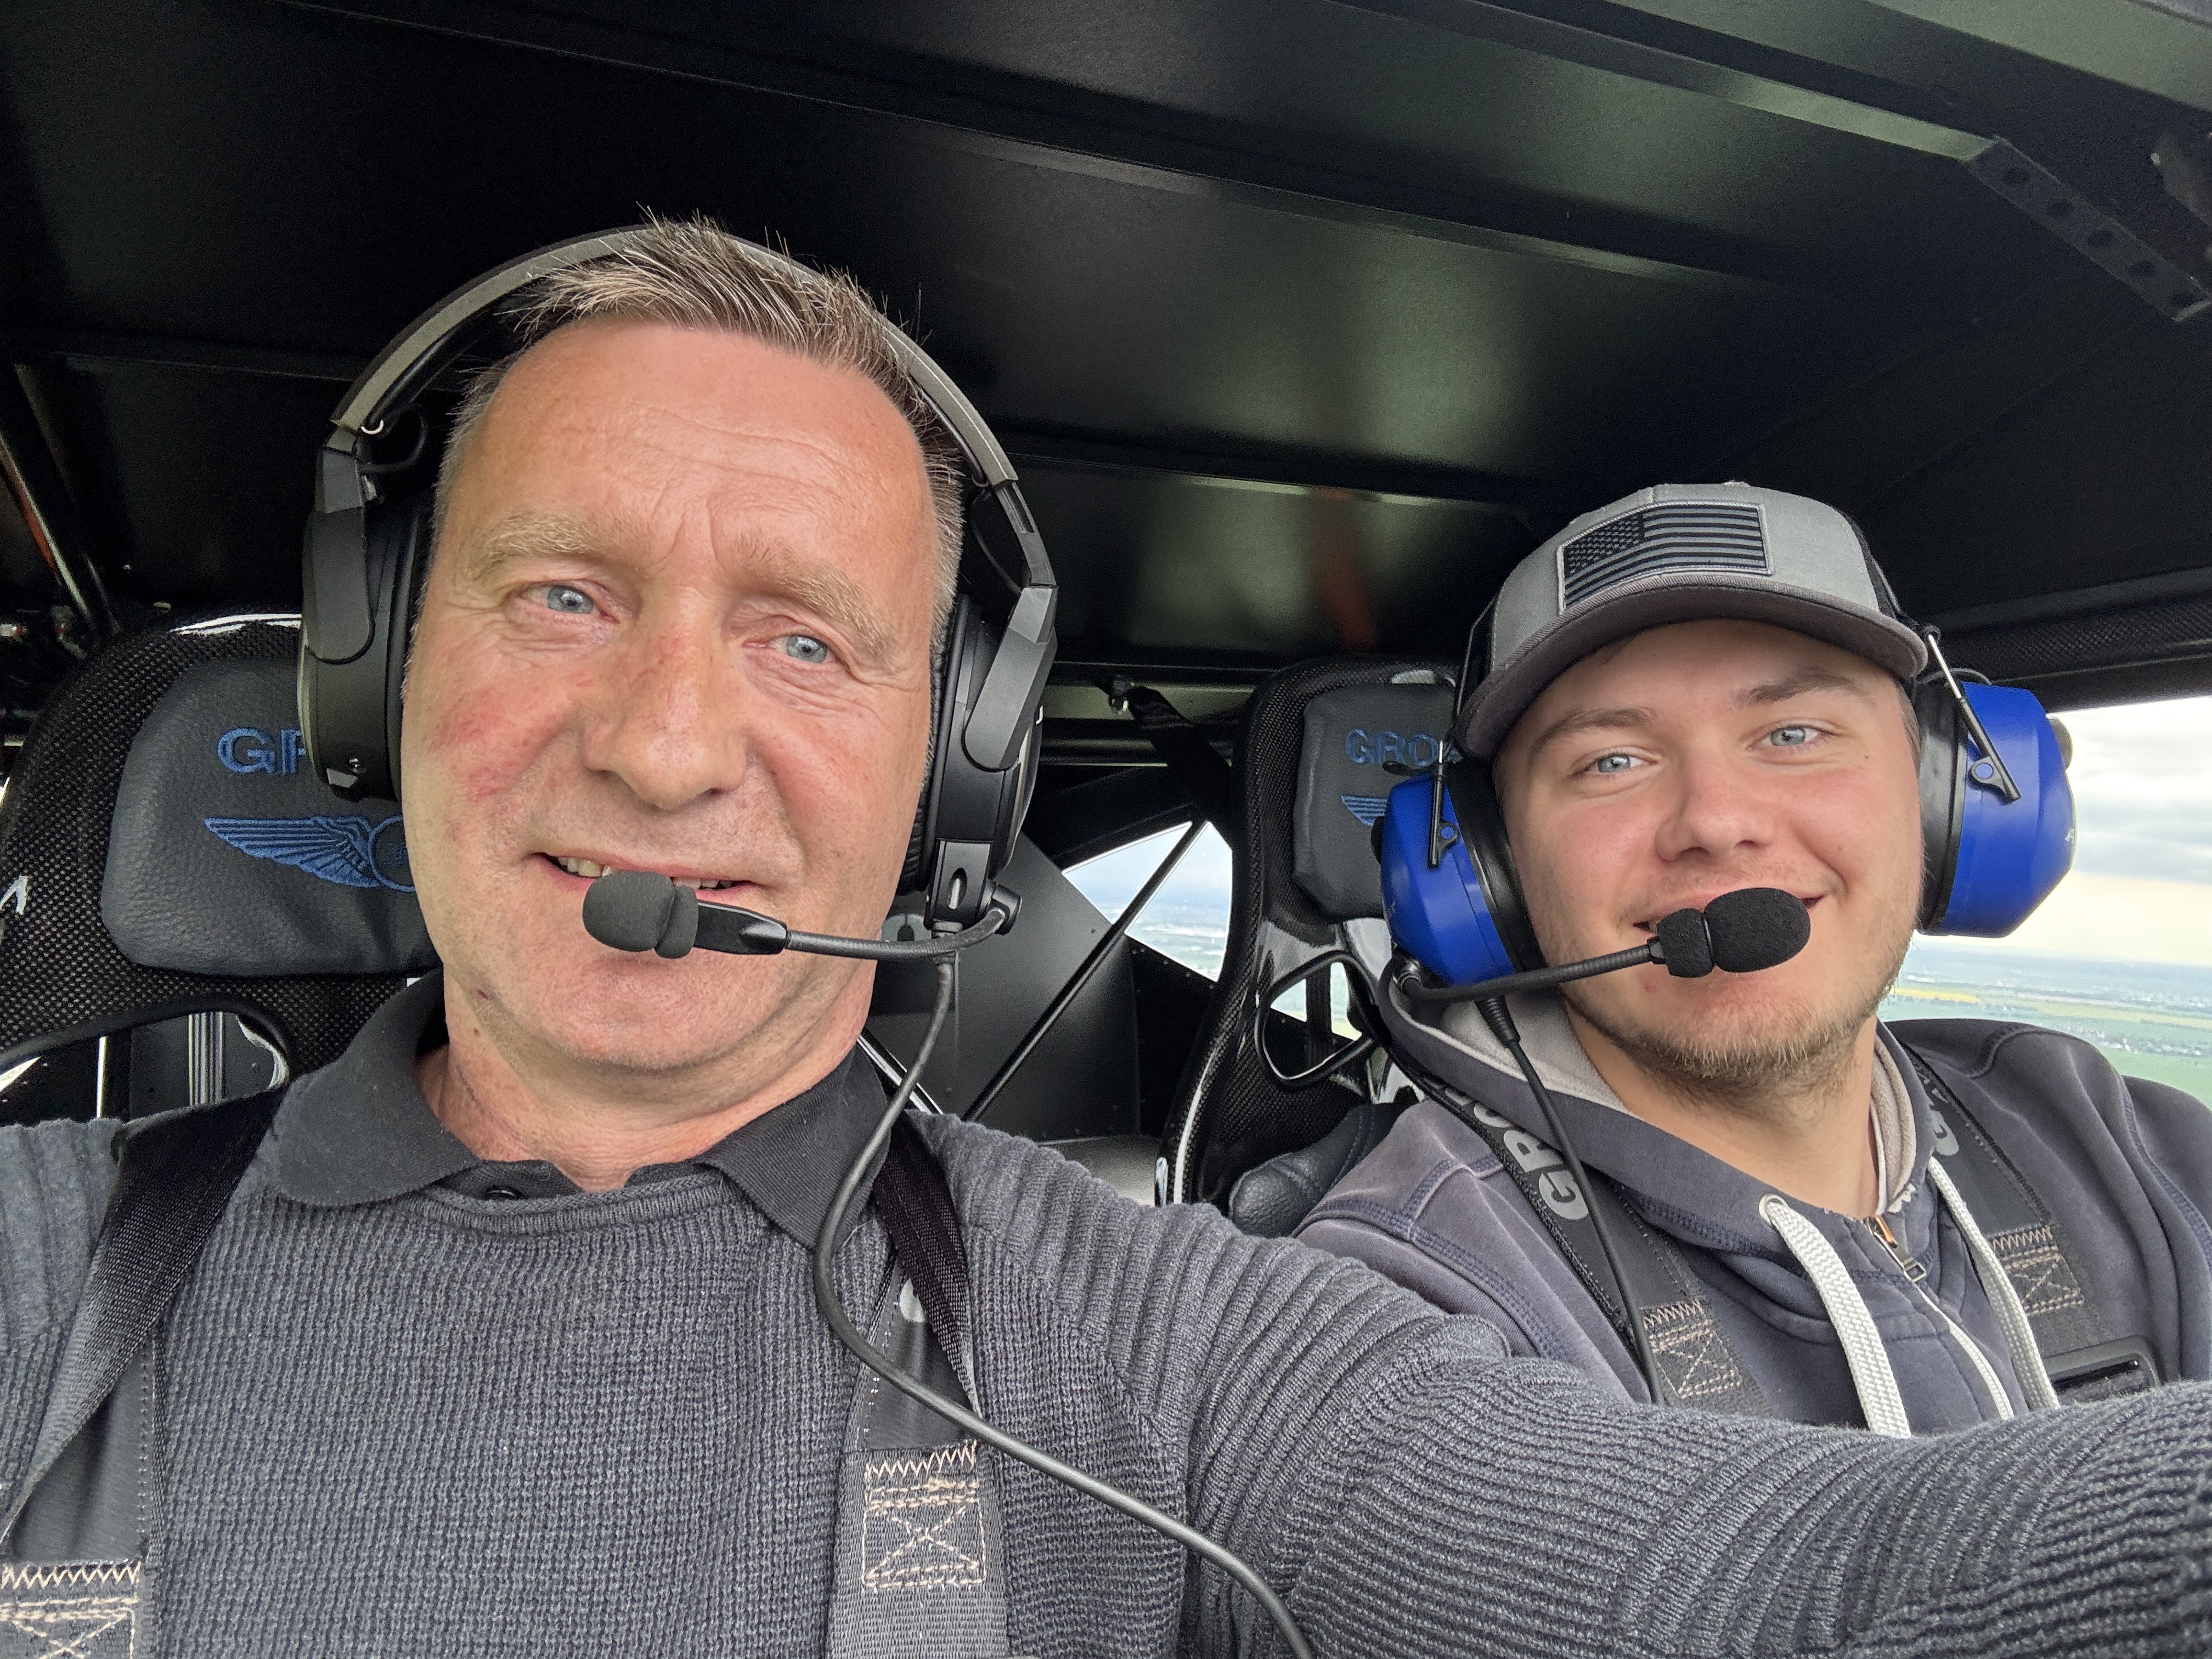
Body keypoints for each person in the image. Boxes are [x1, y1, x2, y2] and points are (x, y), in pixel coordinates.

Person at [3, 226, 2211, 1658]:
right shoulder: (36, 1265)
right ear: (378, 675)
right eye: (563, 594)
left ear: (946, 769)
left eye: (805, 637)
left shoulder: (1167, 1343)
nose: (671, 744)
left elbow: (1772, 1581)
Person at [1299, 482, 2212, 1434]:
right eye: (1611, 760)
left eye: (1794, 734)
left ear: (1948, 798)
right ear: (1492, 868)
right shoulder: (1420, 1292)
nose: (1716, 822)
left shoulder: (2122, 1148)